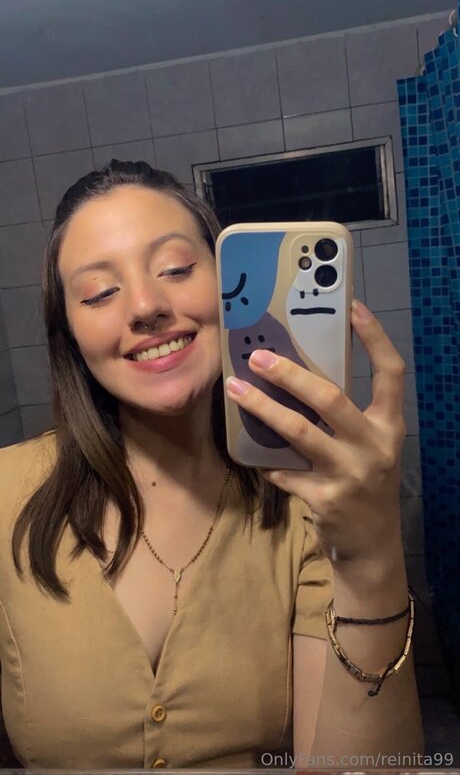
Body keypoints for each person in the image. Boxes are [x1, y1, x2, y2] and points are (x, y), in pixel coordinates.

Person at [0, 160, 424, 769]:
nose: (145, 305)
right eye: (99, 293)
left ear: (230, 287)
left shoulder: (310, 504)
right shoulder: (7, 491)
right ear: (68, 331)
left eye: (176, 269)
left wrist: (370, 555)